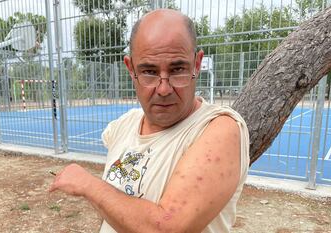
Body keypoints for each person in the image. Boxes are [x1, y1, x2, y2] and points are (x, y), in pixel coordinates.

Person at [49, 9, 250, 233]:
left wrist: (88, 185)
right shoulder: (124, 126)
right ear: (131, 69)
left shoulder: (220, 129)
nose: (164, 89)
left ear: (196, 64)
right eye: (149, 72)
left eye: (177, 69)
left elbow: (166, 227)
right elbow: (116, 211)